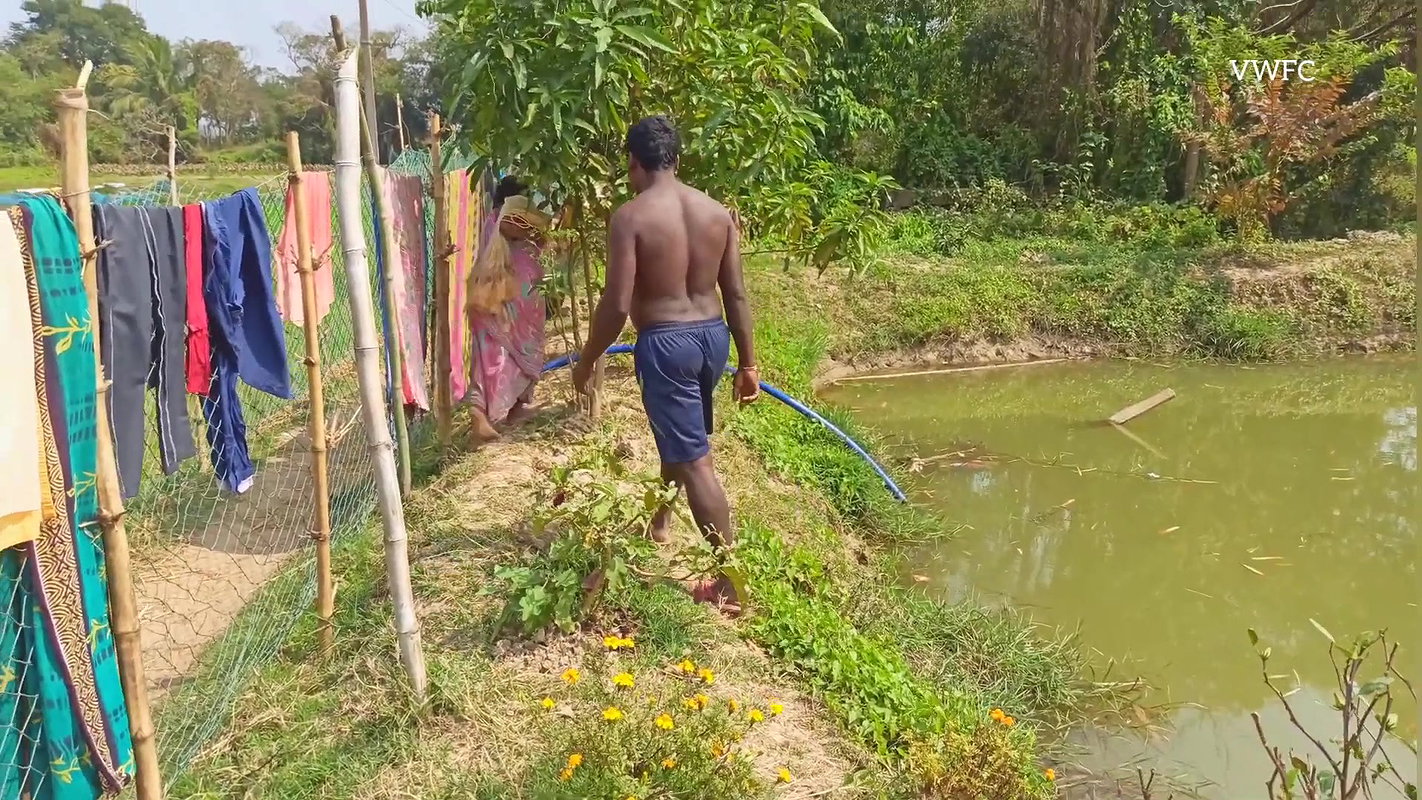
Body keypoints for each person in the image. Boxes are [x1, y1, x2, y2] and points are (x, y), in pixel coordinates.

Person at [572, 116, 759, 610]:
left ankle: (731, 584)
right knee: (681, 441)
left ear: (633, 162)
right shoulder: (717, 213)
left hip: (666, 344)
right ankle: (659, 521)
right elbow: (736, 293)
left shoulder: (630, 217)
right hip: (712, 340)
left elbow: (615, 305)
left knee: (696, 459)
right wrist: (748, 363)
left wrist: (587, 359)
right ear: (677, 159)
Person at [466, 175, 553, 441]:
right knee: (495, 358)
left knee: (494, 358)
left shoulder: (497, 223)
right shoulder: (506, 221)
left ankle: (512, 409)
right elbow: (538, 238)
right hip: (503, 304)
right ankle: (478, 417)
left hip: (497, 302)